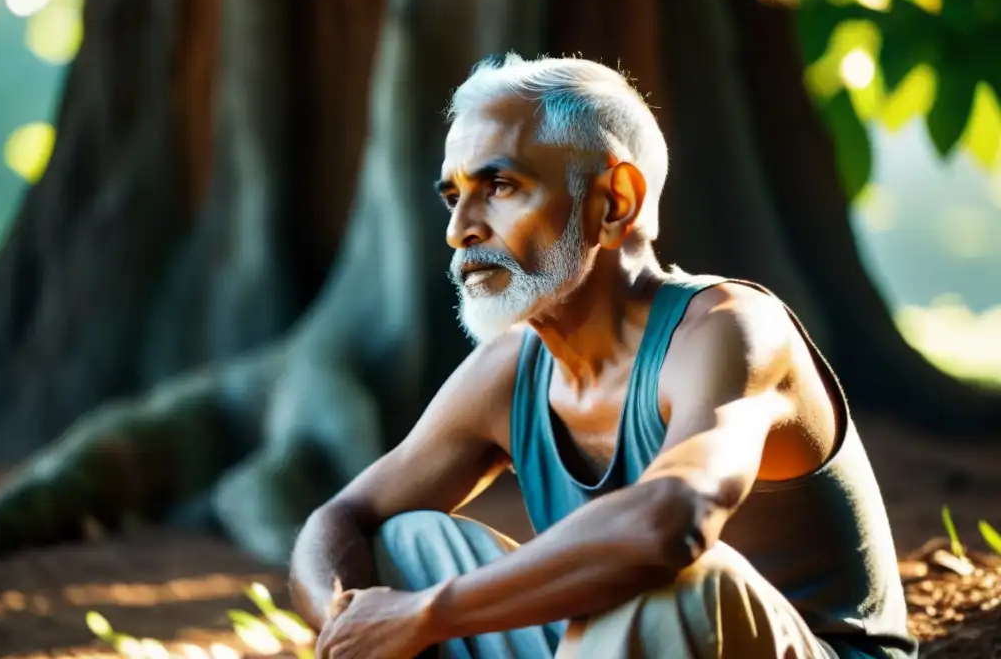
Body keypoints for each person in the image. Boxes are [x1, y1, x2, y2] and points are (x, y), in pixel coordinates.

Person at [288, 54, 917, 659]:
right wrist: (352, 624)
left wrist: (428, 614)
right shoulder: (511, 371)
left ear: (615, 200)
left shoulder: (728, 330)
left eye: (500, 186)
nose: (460, 230)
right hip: (607, 644)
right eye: (454, 197)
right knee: (400, 543)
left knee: (678, 581)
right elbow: (341, 519)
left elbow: (672, 523)